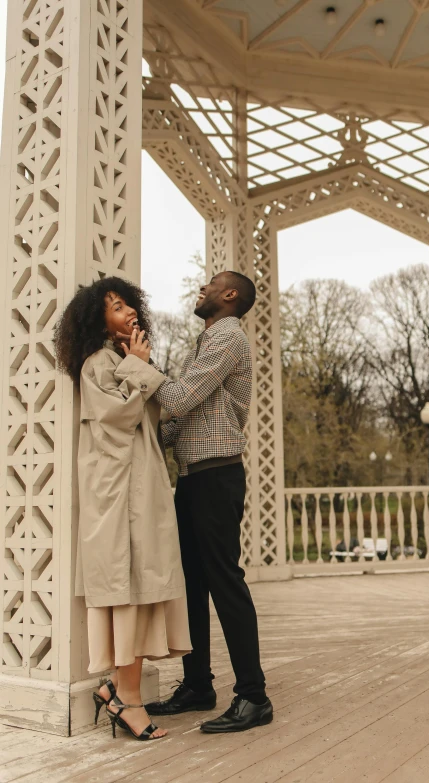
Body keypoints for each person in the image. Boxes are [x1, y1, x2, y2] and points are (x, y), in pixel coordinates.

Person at [118, 270, 273, 733]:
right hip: (191, 478)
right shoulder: (207, 340)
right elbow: (178, 419)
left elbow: (181, 400)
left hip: (217, 476)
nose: (201, 287)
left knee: (225, 582)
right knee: (191, 588)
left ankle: (253, 696)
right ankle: (198, 686)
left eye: (211, 283)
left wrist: (136, 364)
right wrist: (145, 441)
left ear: (230, 295)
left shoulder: (228, 338)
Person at [54, 277, 191, 742]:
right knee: (125, 588)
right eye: (115, 307)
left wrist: (136, 366)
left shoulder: (122, 360)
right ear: (99, 320)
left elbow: (155, 415)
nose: (128, 311)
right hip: (116, 495)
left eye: (128, 303)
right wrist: (138, 366)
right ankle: (126, 700)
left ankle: (117, 689)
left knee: (140, 583)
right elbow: (116, 422)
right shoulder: (98, 363)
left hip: (140, 488)